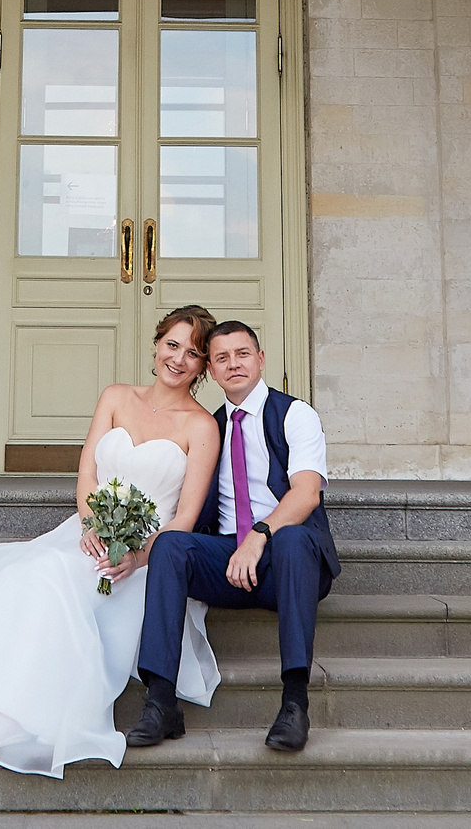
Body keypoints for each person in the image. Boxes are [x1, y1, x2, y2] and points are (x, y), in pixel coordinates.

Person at [0, 304, 225, 777]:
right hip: (88, 534)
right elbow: (88, 471)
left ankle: (9, 715)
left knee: (55, 586)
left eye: (194, 353)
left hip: (145, 558)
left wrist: (138, 557)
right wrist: (90, 524)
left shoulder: (202, 426)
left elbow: (185, 516)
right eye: (172, 345)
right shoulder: (117, 397)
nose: (179, 359)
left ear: (203, 366)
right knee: (23, 576)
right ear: (157, 345)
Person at [125, 318, 337, 753]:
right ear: (212, 371)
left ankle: (295, 703)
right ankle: (161, 701)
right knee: (169, 545)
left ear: (260, 360)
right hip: (227, 562)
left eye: (242, 354)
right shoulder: (210, 426)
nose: (233, 364)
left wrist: (259, 536)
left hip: (286, 565)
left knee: (295, 539)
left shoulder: (295, 414)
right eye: (221, 358)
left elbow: (307, 494)